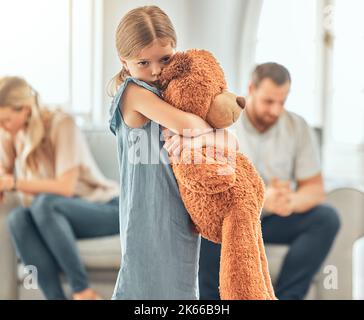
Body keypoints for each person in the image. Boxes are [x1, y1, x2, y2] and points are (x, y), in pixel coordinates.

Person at [109, 5, 239, 299]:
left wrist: (211, 136)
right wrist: (208, 132)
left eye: (164, 59)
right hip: (146, 218)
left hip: (180, 215)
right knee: (141, 290)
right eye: (143, 62)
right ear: (124, 61)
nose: (155, 71)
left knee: (181, 291)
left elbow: (232, 143)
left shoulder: (176, 93)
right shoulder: (132, 93)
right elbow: (189, 124)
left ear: (176, 53)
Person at [198, 62, 341, 300]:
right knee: (208, 223)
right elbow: (211, 184)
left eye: (282, 102)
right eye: (268, 102)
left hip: (274, 221)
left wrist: (290, 201)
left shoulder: (297, 127)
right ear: (250, 90)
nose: (276, 110)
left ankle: (287, 297)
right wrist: (264, 198)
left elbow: (314, 190)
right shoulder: (223, 122)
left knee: (327, 218)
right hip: (233, 220)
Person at [0, 76, 120, 300]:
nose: (2, 127)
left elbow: (65, 188)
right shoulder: (13, 134)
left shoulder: (61, 123)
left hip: (105, 209)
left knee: (44, 203)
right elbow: (4, 173)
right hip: (55, 220)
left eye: (5, 120)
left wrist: (13, 183)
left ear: (24, 110)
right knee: (18, 219)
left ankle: (83, 291)